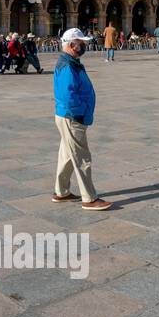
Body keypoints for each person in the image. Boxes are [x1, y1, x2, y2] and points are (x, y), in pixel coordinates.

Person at [51, 28, 111, 211]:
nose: (84, 45)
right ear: (71, 45)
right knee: (82, 158)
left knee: (67, 155)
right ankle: (89, 198)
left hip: (67, 116)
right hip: (72, 117)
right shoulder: (68, 66)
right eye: (81, 43)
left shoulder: (71, 62)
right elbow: (67, 96)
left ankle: (61, 192)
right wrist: (81, 112)